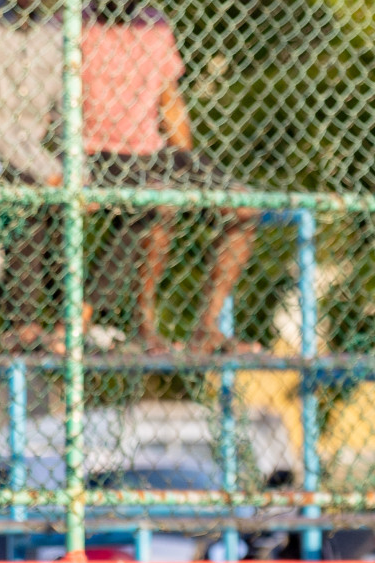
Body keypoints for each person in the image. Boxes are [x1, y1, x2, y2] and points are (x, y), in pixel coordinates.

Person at [81, 0, 257, 353]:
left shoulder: (153, 23)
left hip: (150, 150)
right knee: (158, 202)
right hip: (94, 150)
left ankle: (207, 328)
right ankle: (144, 325)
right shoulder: (75, 23)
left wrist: (186, 164)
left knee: (243, 205)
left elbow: (169, 99)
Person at [0, 0, 67, 352]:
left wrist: (69, 167)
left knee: (81, 199)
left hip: (42, 155)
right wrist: (47, 170)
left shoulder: (56, 32)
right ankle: (22, 324)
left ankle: (71, 324)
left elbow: (67, 109)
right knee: (26, 190)